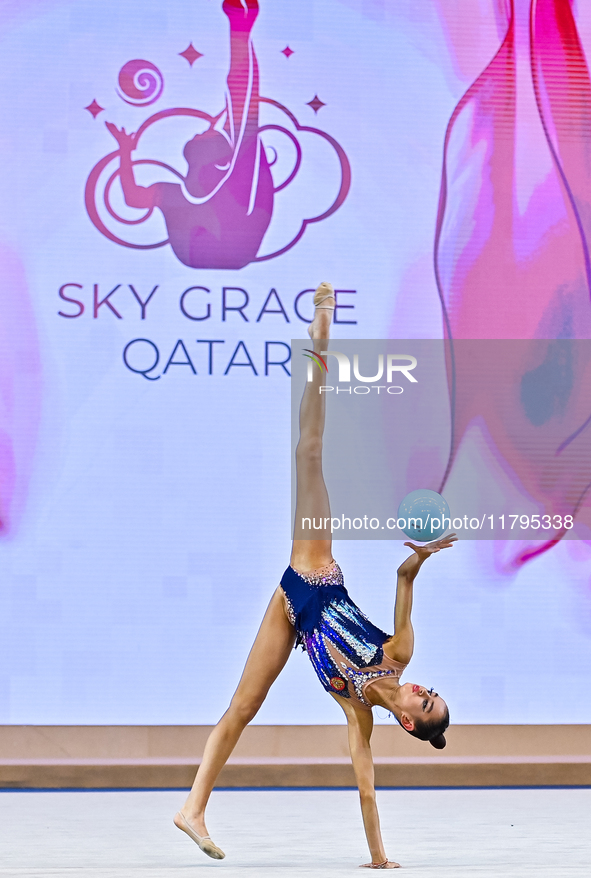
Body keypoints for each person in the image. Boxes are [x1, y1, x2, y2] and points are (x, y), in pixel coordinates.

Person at [174, 282, 455, 868]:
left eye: (426, 704)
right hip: (315, 567)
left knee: (242, 708)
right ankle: (321, 333)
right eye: (434, 692)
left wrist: (379, 858)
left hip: (288, 607)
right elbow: (403, 581)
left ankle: (192, 808)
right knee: (308, 451)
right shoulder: (398, 653)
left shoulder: (358, 714)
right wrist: (423, 555)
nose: (425, 689)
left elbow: (367, 789)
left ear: (407, 720)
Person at [105, 0, 273, 269]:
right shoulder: (175, 193)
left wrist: (239, 31)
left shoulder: (216, 184)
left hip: (221, 243)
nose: (204, 129)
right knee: (244, 122)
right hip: (214, 247)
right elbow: (133, 198)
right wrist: (124, 151)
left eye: (206, 134)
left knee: (245, 121)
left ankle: (241, 32)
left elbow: (243, 94)